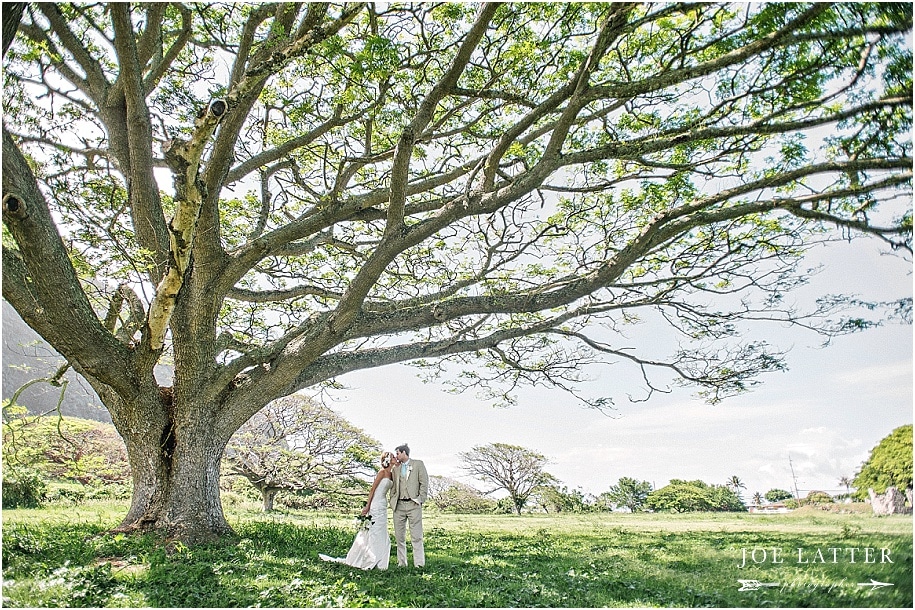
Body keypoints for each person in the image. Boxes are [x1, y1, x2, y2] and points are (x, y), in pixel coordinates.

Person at [319, 451, 395, 570]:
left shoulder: (391, 474)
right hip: (375, 504)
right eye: (393, 457)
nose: (396, 458)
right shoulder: (382, 472)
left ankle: (380, 561)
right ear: (388, 460)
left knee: (382, 532)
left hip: (383, 505)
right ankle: (369, 559)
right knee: (374, 531)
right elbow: (372, 490)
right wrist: (367, 506)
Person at [390, 443, 428, 567]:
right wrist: (392, 500)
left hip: (413, 504)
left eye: (398, 453)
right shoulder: (395, 469)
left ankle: (419, 564)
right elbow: (393, 486)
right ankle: (402, 563)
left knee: (416, 536)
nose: (396, 456)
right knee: (399, 536)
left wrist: (420, 499)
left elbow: (424, 482)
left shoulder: (418, 464)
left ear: (404, 453)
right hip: (399, 505)